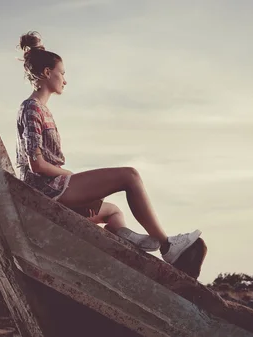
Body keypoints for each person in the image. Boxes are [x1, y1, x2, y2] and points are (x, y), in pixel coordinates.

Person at [14, 31, 201, 264]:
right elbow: (37, 164)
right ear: (47, 73)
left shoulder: (42, 109)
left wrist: (79, 192)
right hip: (45, 191)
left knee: (113, 213)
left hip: (55, 188)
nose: (65, 79)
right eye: (62, 73)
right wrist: (72, 179)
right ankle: (167, 245)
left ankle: (130, 248)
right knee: (129, 176)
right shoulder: (31, 108)